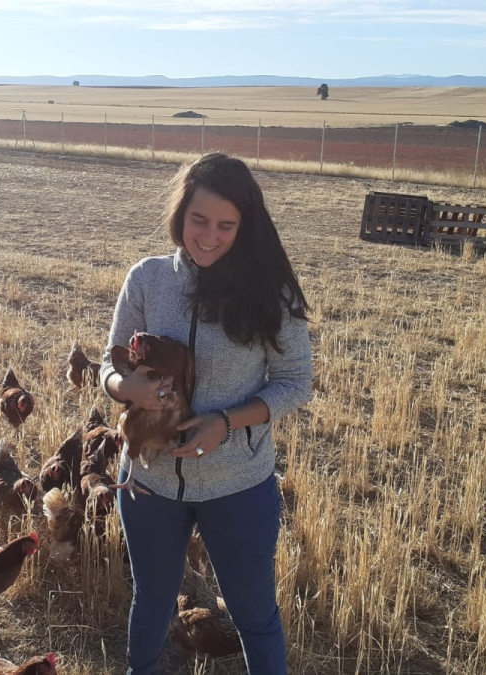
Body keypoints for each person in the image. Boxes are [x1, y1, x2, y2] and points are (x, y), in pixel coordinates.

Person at [99, 152, 313, 674]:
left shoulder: (271, 295)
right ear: (180, 214)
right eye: (199, 220)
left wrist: (228, 422)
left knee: (252, 612)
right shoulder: (147, 279)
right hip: (149, 482)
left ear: (246, 225)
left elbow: (295, 383)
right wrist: (123, 385)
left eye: (226, 225)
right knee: (152, 598)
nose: (210, 236)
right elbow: (109, 363)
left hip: (238, 484)